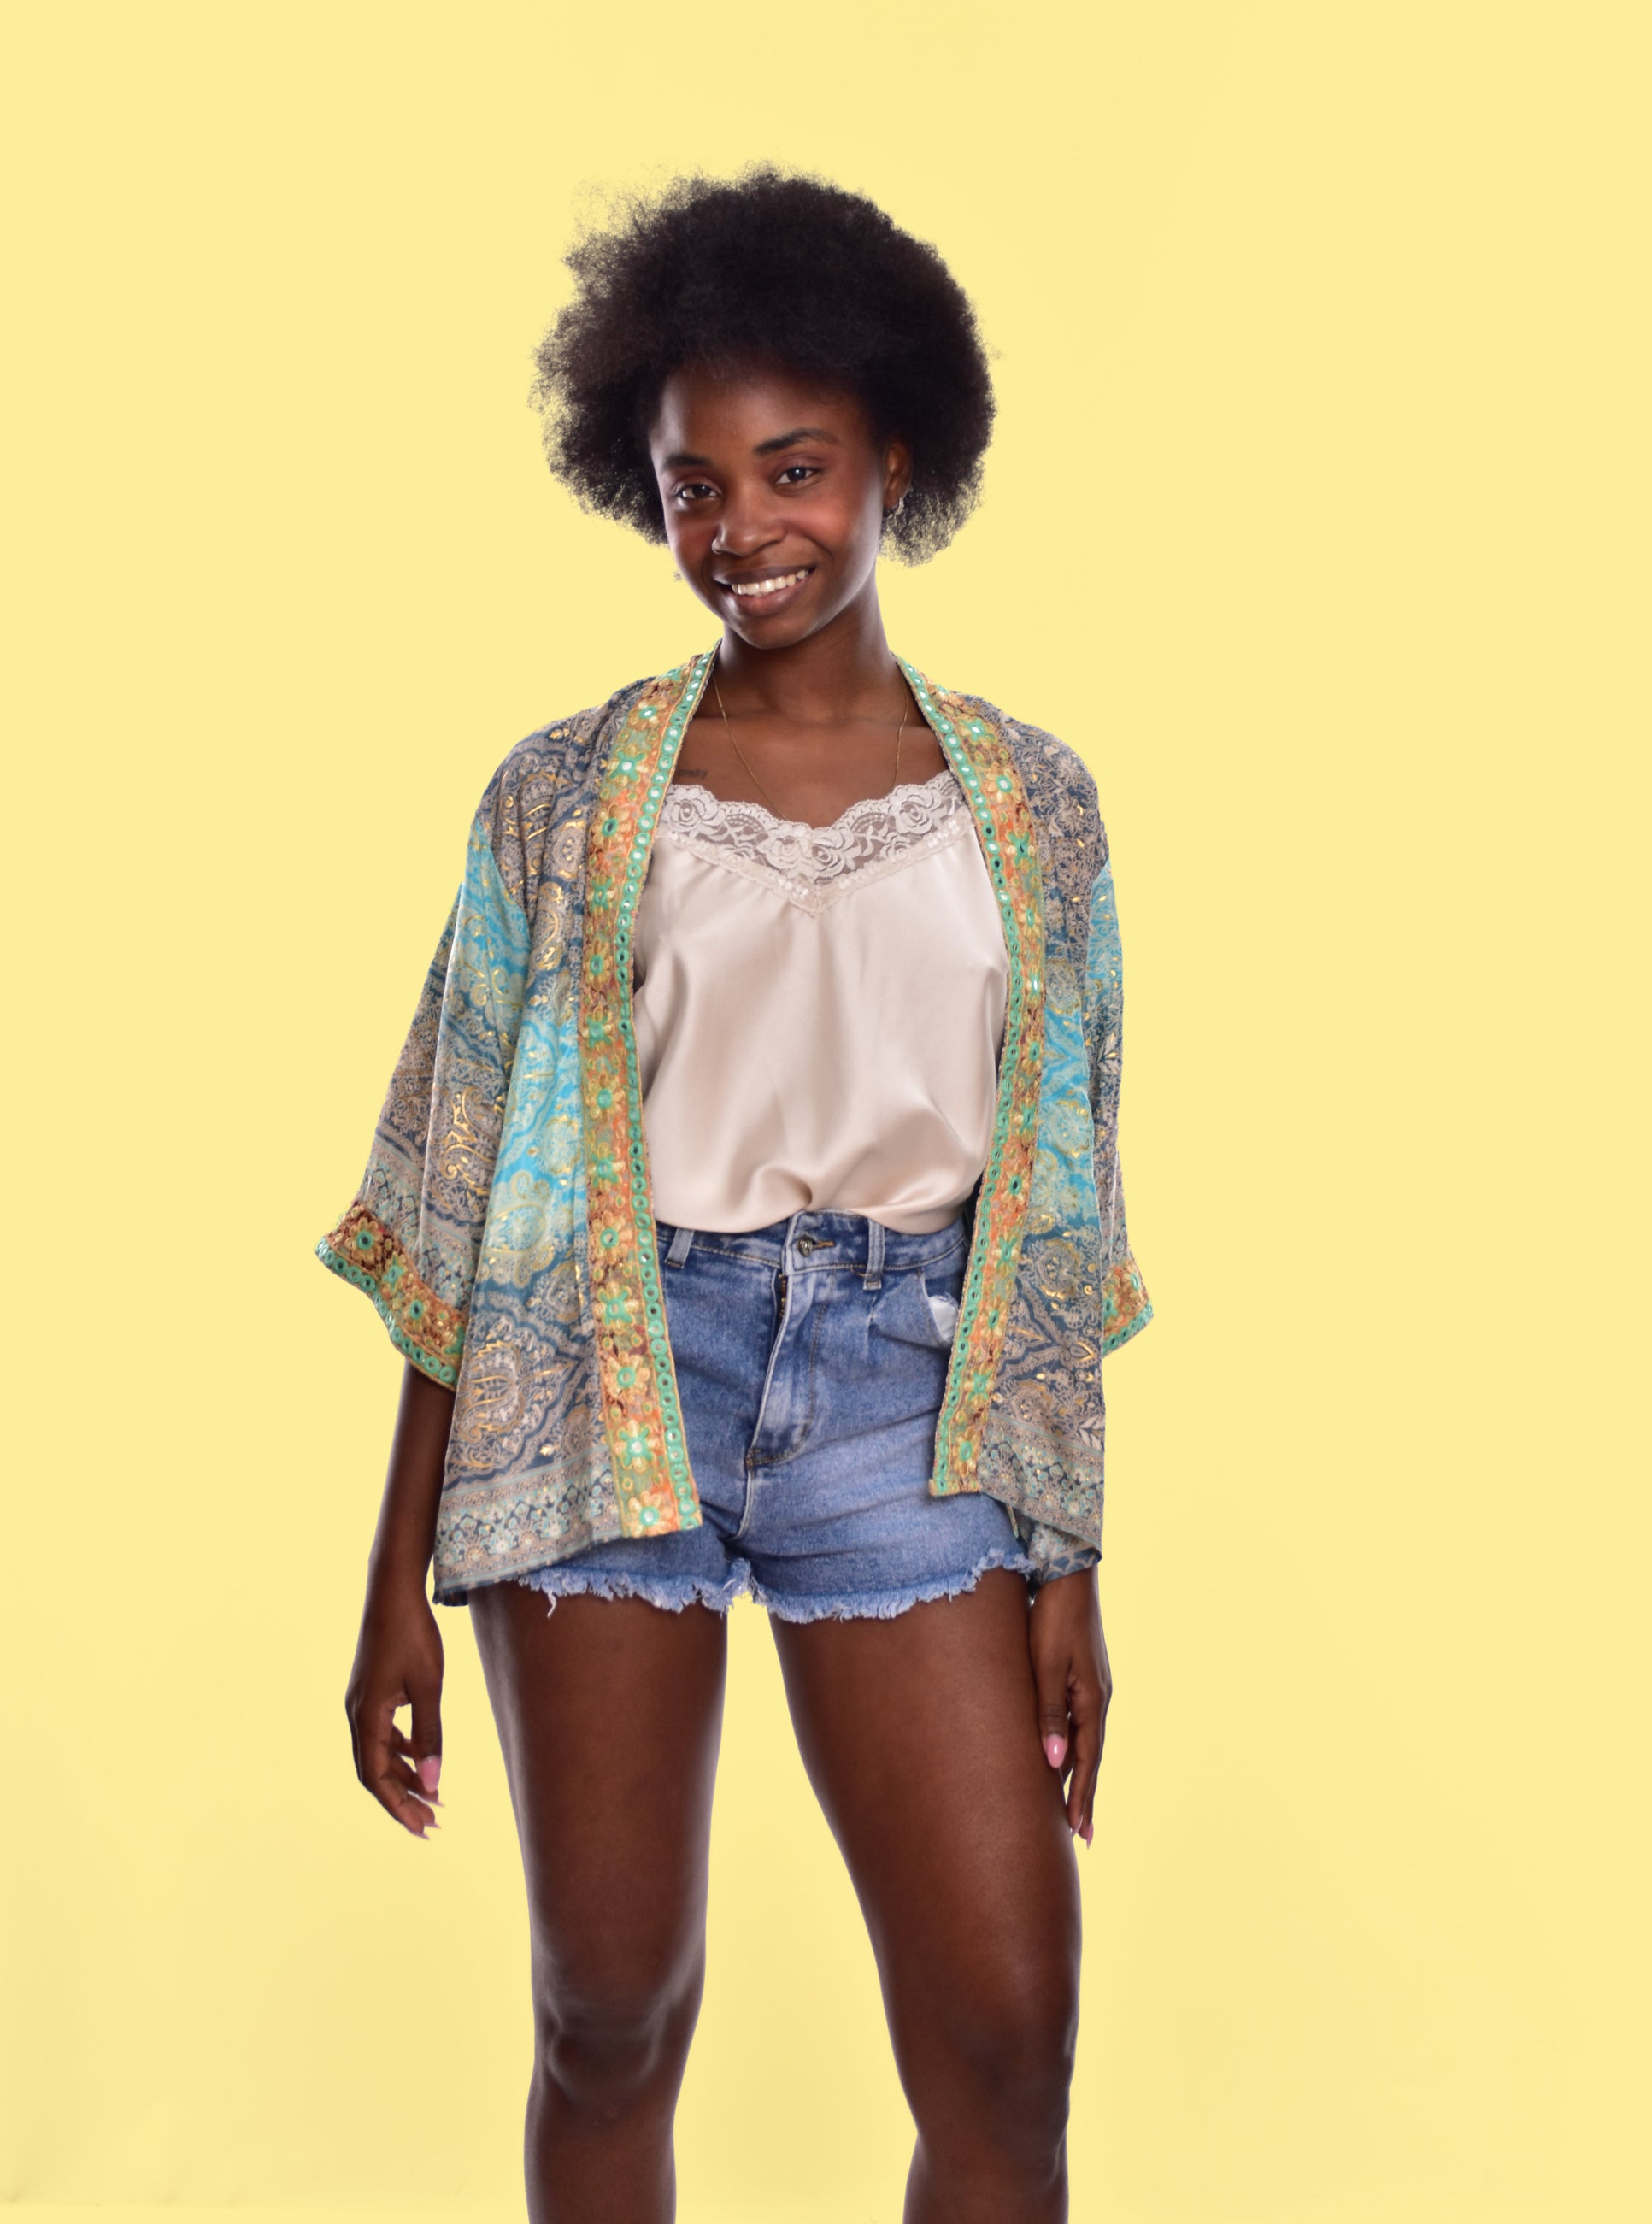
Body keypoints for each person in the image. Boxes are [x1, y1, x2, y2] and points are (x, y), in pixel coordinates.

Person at [321, 167, 1151, 2224]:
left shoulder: (1034, 806)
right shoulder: (562, 795)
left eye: (793, 469)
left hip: (907, 1403)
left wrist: (1063, 1557)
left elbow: (1055, 1221)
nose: (741, 529)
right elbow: (458, 1207)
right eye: (694, 485)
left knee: (1007, 2043)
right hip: (605, 1400)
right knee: (608, 2012)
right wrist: (393, 1577)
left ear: (896, 459)